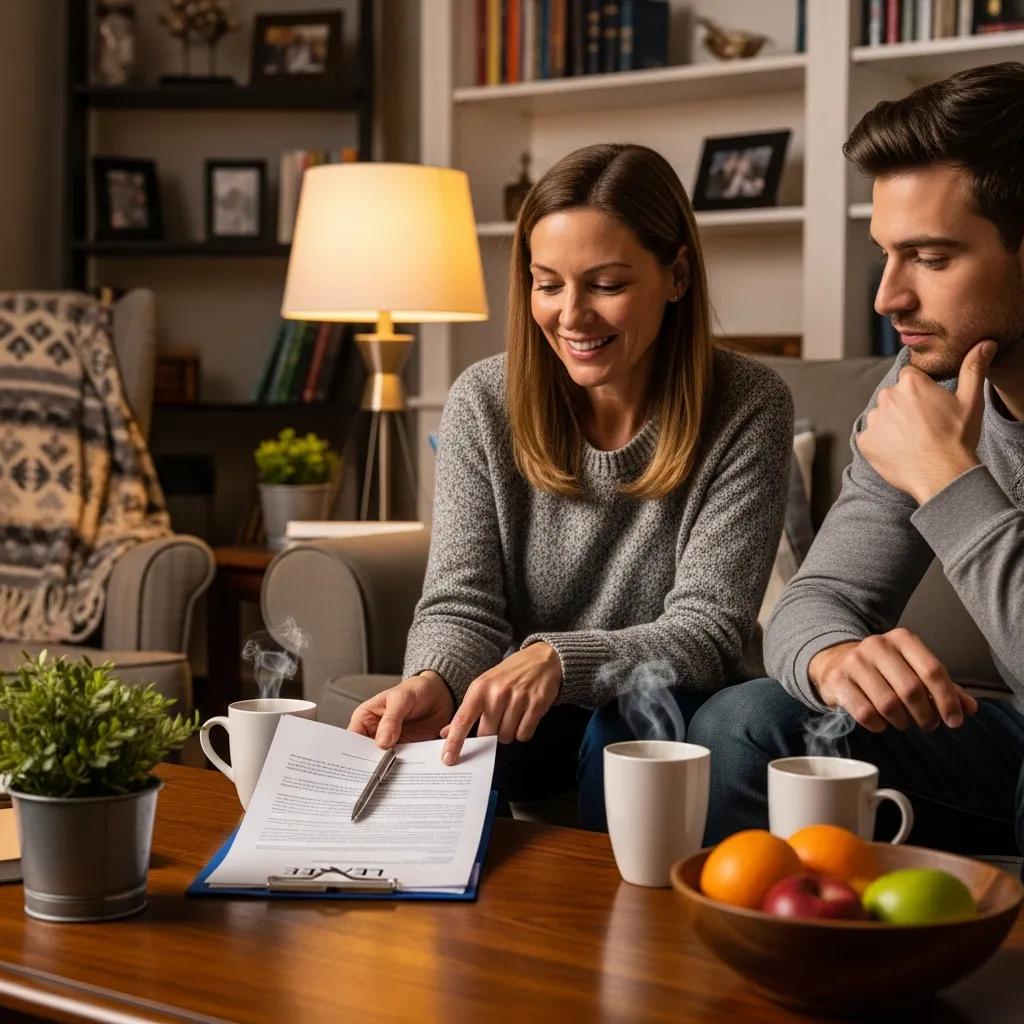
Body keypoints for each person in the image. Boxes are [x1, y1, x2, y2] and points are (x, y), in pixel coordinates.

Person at [348, 142, 794, 830]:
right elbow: (462, 603)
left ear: (676, 275)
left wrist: (559, 659)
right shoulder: (483, 401)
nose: (571, 316)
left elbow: (708, 631)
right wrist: (433, 679)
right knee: (442, 739)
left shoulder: (749, 403)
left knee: (624, 724)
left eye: (606, 285)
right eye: (547, 284)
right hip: (530, 709)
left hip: (669, 703)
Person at [688, 62, 1024, 855]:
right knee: (743, 723)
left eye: (930, 258)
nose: (888, 297)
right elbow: (820, 597)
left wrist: (947, 478)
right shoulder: (915, 388)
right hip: (1004, 745)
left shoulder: (929, 429)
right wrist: (835, 658)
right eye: (886, 254)